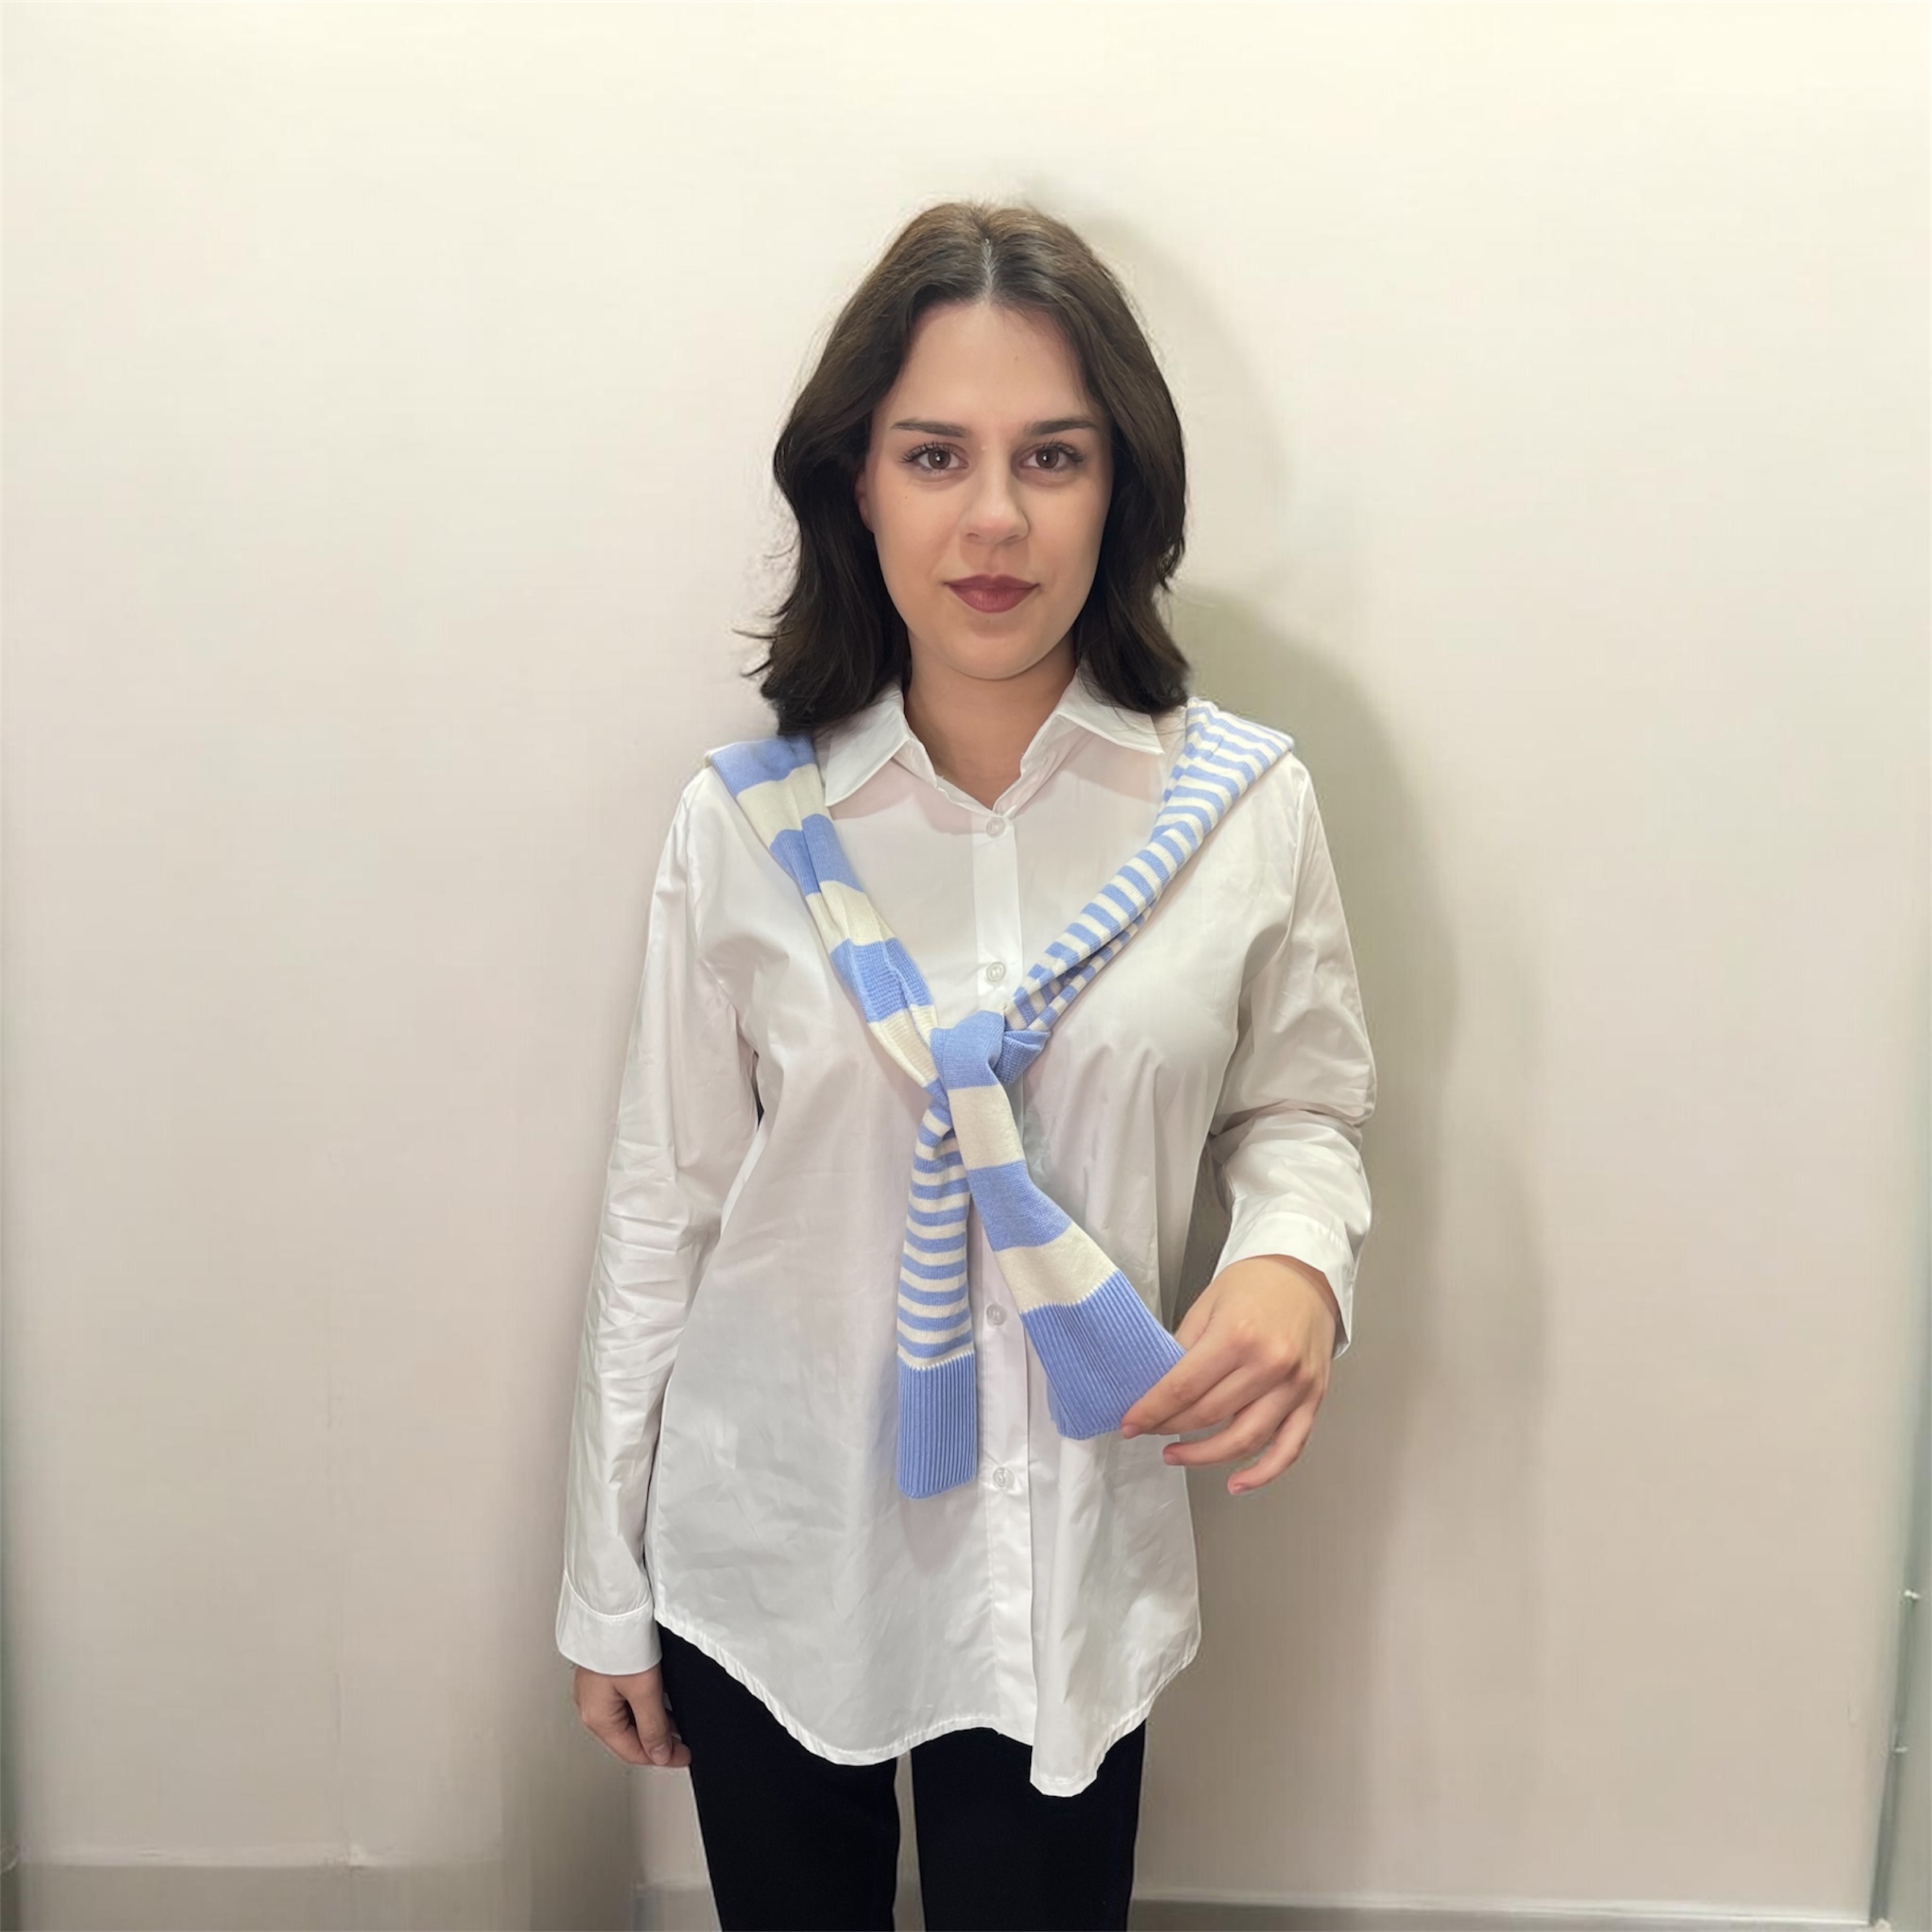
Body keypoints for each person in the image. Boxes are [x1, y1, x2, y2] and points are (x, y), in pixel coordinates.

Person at [555, 199, 1377, 1932]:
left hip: (1068, 1565)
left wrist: (1296, 1258)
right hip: (777, 1552)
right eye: (935, 454)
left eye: (1051, 457)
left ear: (1120, 490)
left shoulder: (1244, 808)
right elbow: (662, 1212)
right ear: (857, 484)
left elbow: (1300, 1104)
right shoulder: (745, 829)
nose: (993, 518)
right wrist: (602, 1583)